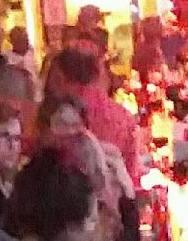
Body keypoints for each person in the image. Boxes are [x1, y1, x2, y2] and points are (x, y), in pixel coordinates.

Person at [49, 42, 141, 187]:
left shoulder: (53, 116)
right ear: (99, 73)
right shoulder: (124, 117)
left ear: (60, 76)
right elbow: (132, 177)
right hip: (111, 197)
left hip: (64, 198)